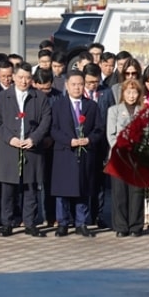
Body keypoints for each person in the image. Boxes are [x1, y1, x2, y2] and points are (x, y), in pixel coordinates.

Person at [0, 63, 52, 237]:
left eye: (27, 78)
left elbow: (46, 120)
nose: (24, 81)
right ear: (14, 78)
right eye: (20, 77)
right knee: (8, 189)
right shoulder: (3, 97)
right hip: (10, 148)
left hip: (32, 148)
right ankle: (7, 223)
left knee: (30, 187)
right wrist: (11, 139)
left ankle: (30, 223)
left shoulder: (39, 97)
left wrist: (34, 139)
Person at [49, 70, 105, 238]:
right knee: (63, 191)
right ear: (67, 85)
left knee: (83, 189)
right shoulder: (58, 105)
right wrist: (69, 141)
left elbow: (99, 129)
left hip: (85, 153)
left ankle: (82, 223)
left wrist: (89, 139)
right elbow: (53, 129)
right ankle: (63, 223)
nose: (77, 88)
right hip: (65, 152)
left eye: (80, 84)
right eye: (74, 84)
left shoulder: (91, 106)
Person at [107, 78, 146, 237]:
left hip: (137, 158)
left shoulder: (144, 111)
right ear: (123, 93)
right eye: (128, 92)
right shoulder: (114, 110)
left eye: (134, 92)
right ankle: (121, 226)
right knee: (119, 193)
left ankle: (136, 226)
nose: (131, 95)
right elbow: (111, 135)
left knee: (136, 193)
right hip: (118, 156)